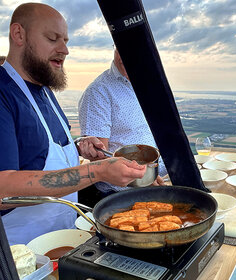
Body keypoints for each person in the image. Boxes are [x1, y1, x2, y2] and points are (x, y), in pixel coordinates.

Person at [0, 3, 147, 245]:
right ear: (19, 35)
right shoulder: (4, 93)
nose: (64, 50)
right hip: (21, 252)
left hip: (63, 237)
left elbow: (41, 151)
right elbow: (4, 188)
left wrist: (78, 147)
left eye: (65, 40)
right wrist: (97, 171)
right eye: (52, 38)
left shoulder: (43, 90)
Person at [78, 48, 167, 199]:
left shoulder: (147, 83)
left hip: (158, 180)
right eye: (121, 48)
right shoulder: (99, 91)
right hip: (123, 193)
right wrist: (143, 179)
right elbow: (99, 157)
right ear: (114, 47)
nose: (128, 56)